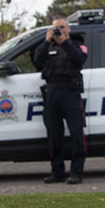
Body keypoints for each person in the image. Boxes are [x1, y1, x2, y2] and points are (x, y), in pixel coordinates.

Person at [33, 17, 88, 184]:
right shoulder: (48, 46)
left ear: (68, 29)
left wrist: (64, 42)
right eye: (56, 28)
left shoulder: (77, 45)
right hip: (51, 94)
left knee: (77, 135)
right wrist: (45, 42)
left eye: (62, 27)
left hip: (70, 94)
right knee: (54, 136)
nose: (59, 31)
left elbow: (79, 60)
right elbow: (37, 63)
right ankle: (57, 172)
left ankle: (76, 173)